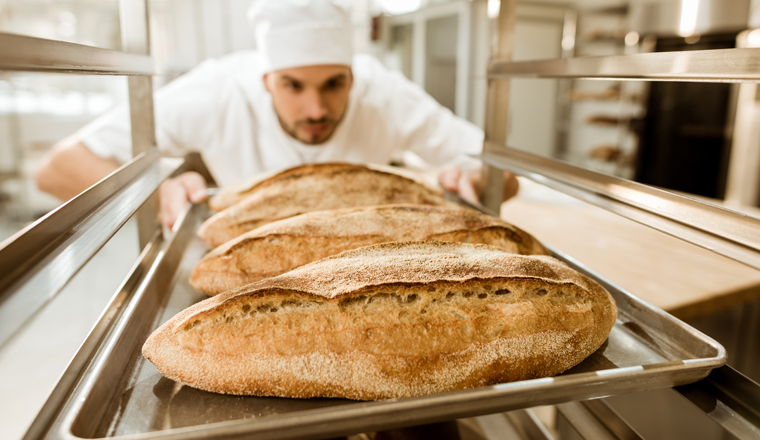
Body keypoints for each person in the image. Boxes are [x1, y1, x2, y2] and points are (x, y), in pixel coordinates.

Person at [35, 0, 518, 228]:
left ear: (353, 76)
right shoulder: (217, 91)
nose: (316, 109)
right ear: (265, 80)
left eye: (334, 84)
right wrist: (155, 193)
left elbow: (507, 175)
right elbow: (57, 168)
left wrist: (473, 178)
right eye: (293, 86)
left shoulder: (383, 93)